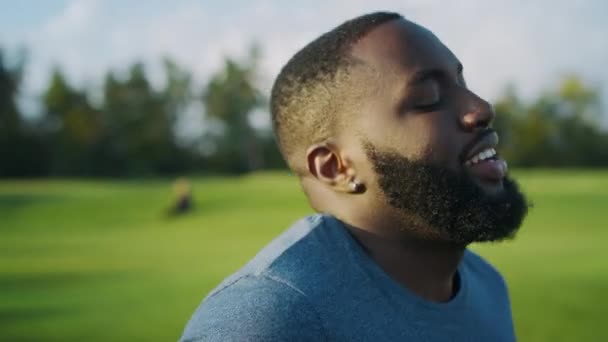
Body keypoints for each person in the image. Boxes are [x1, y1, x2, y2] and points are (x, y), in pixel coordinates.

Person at [180, 11, 529, 341]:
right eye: (428, 97)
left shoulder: (487, 286)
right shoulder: (268, 319)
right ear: (336, 168)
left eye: (461, 82)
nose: (481, 108)